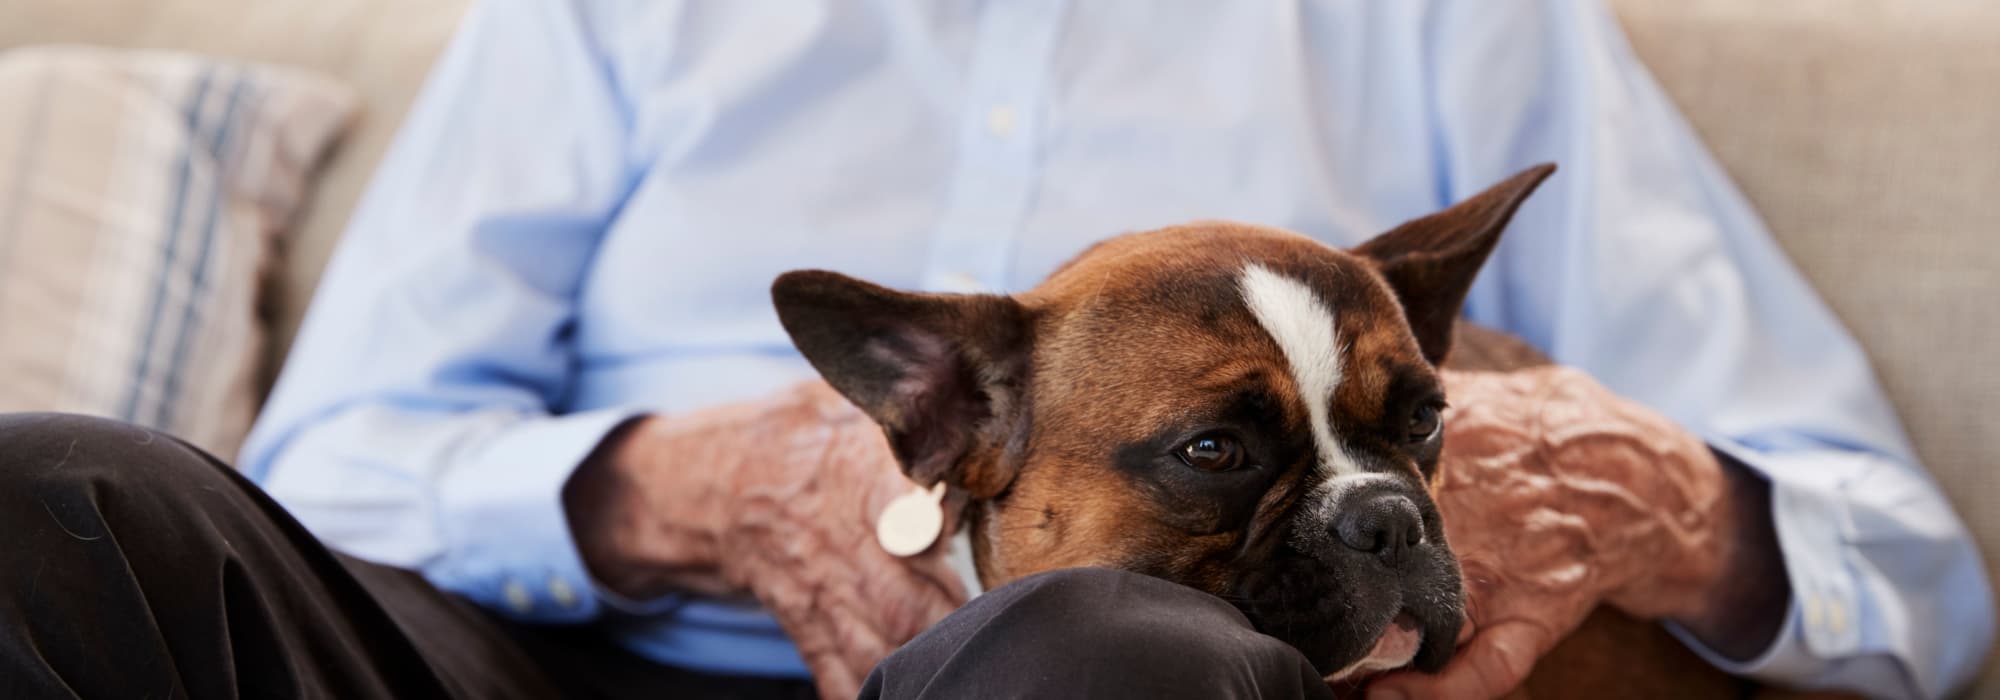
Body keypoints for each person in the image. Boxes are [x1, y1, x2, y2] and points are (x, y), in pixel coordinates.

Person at [1, 1, 1990, 698]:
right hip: (565, 655)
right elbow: (328, 457)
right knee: (60, 504)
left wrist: (1647, 505)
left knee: (1097, 645)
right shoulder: (605, 8)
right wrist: (659, 489)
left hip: (1126, 670)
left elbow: (1910, 569)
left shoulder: (1438, 9)